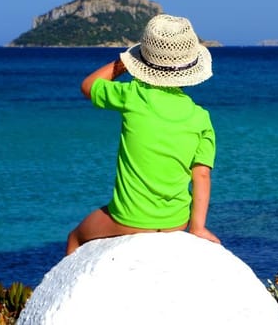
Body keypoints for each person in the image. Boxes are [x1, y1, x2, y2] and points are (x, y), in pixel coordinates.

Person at [65, 14, 220, 255]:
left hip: (128, 219)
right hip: (176, 222)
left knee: (75, 237)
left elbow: (88, 86)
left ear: (142, 63)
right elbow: (201, 175)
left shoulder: (134, 95)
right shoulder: (201, 118)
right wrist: (197, 227)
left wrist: (124, 63)